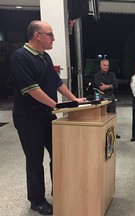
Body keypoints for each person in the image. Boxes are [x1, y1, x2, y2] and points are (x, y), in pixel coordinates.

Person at [11, 20, 86, 215]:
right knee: (35, 160)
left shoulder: (46, 57)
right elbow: (32, 90)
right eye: (50, 34)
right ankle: (37, 200)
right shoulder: (20, 57)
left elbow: (57, 83)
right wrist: (57, 105)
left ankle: (59, 190)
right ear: (37, 35)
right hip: (28, 117)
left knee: (58, 155)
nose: (53, 38)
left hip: (47, 116)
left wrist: (74, 99)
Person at [94, 59, 121, 139]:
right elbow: (101, 87)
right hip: (102, 96)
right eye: (104, 65)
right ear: (101, 66)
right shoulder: (97, 75)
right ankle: (103, 133)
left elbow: (116, 85)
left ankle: (112, 132)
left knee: (112, 115)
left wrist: (107, 86)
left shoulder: (112, 75)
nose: (106, 67)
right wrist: (110, 85)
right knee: (102, 116)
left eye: (107, 65)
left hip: (111, 96)